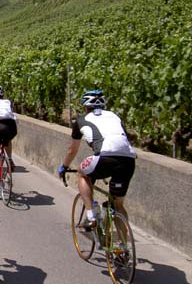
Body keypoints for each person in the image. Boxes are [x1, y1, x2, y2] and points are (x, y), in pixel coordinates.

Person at [57, 89, 136, 226]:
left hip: (104, 157)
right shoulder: (115, 117)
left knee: (82, 174)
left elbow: (72, 150)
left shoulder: (82, 120)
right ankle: (122, 245)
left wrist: (64, 167)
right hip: (128, 160)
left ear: (86, 107)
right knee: (118, 205)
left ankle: (91, 214)